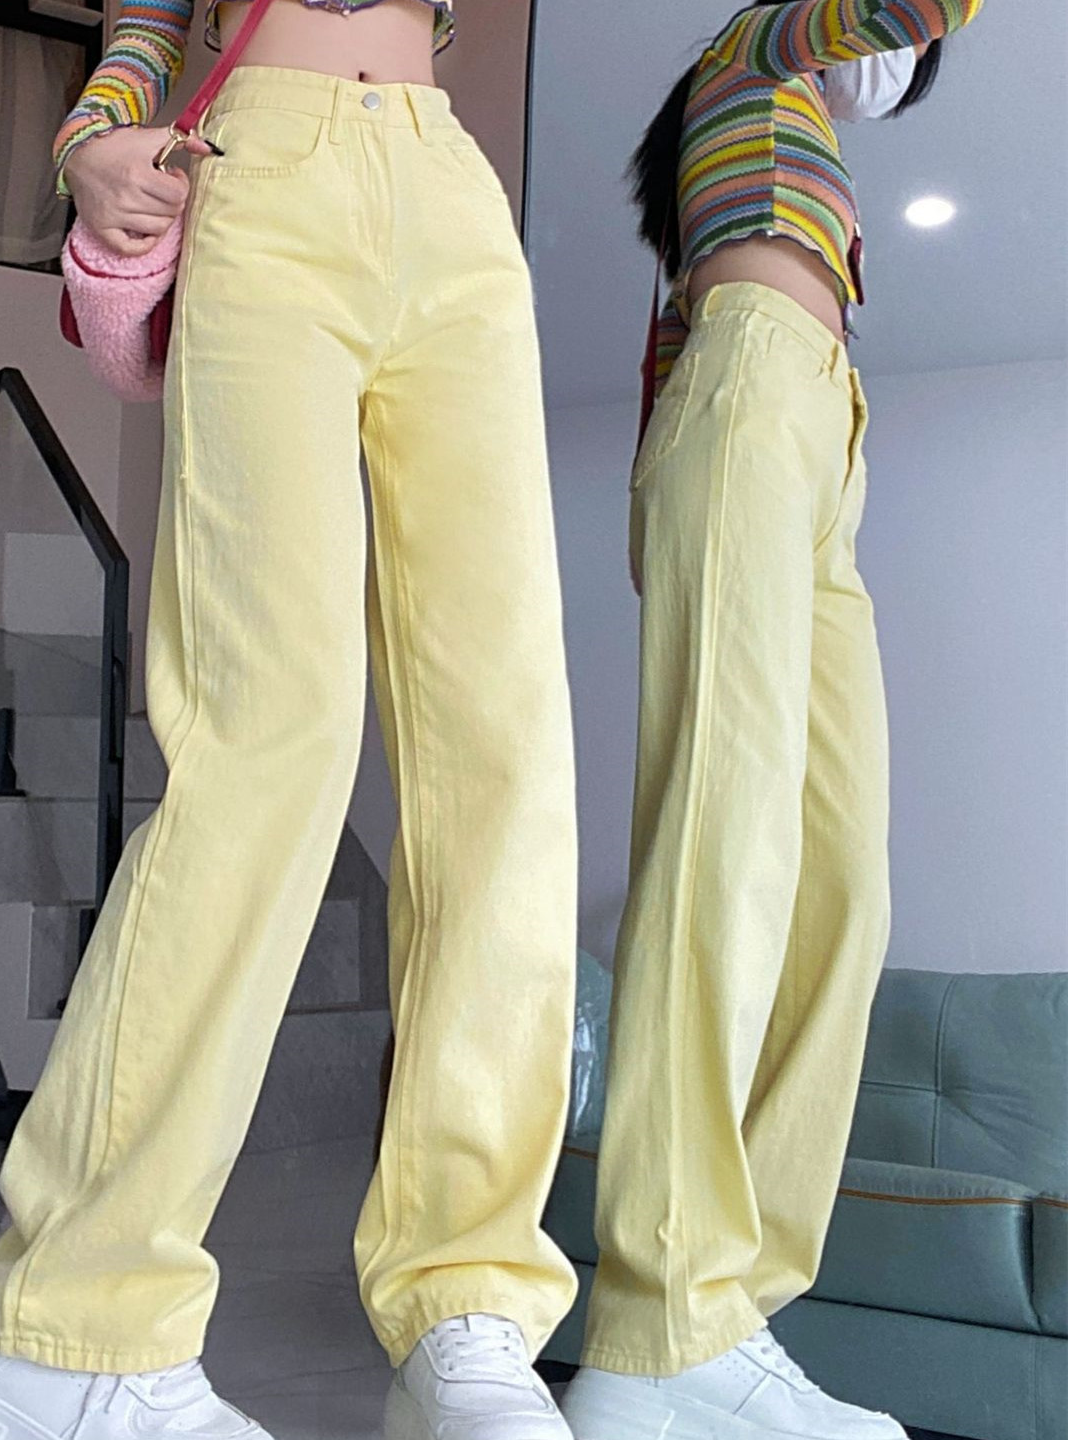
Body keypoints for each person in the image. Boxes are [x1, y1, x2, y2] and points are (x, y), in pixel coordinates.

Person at [0, 2, 582, 1438]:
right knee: (271, 736)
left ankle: (468, 1295)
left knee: (509, 754)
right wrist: (89, 139)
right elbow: (148, 20)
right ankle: (67, 1327)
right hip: (261, 173)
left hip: (451, 190)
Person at [560, 3, 984, 1439]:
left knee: (844, 887)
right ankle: (655, 1320)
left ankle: (723, 1316)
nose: (898, 78)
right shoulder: (754, 47)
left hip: (821, 429)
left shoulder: (795, 146)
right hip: (750, 383)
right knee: (726, 846)